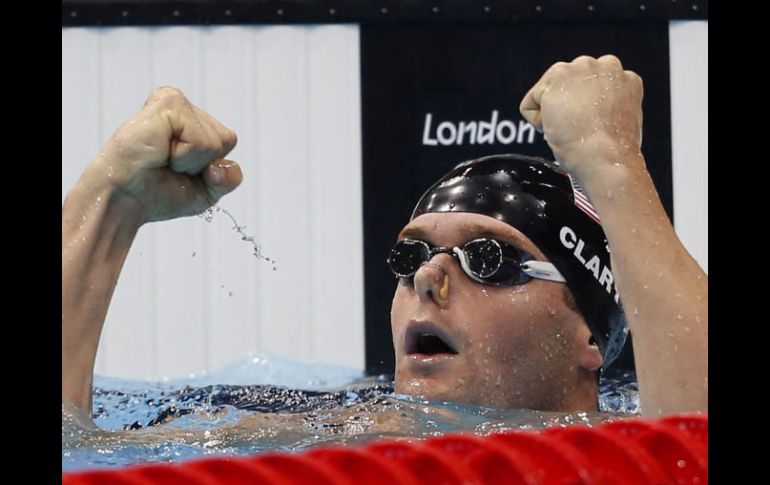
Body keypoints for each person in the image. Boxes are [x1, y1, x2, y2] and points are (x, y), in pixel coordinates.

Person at [62, 55, 707, 423]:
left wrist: (609, 157)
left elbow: (692, 446)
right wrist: (111, 203)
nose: (428, 277)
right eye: (411, 254)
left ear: (590, 338)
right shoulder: (336, 439)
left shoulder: (617, 436)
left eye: (489, 260)